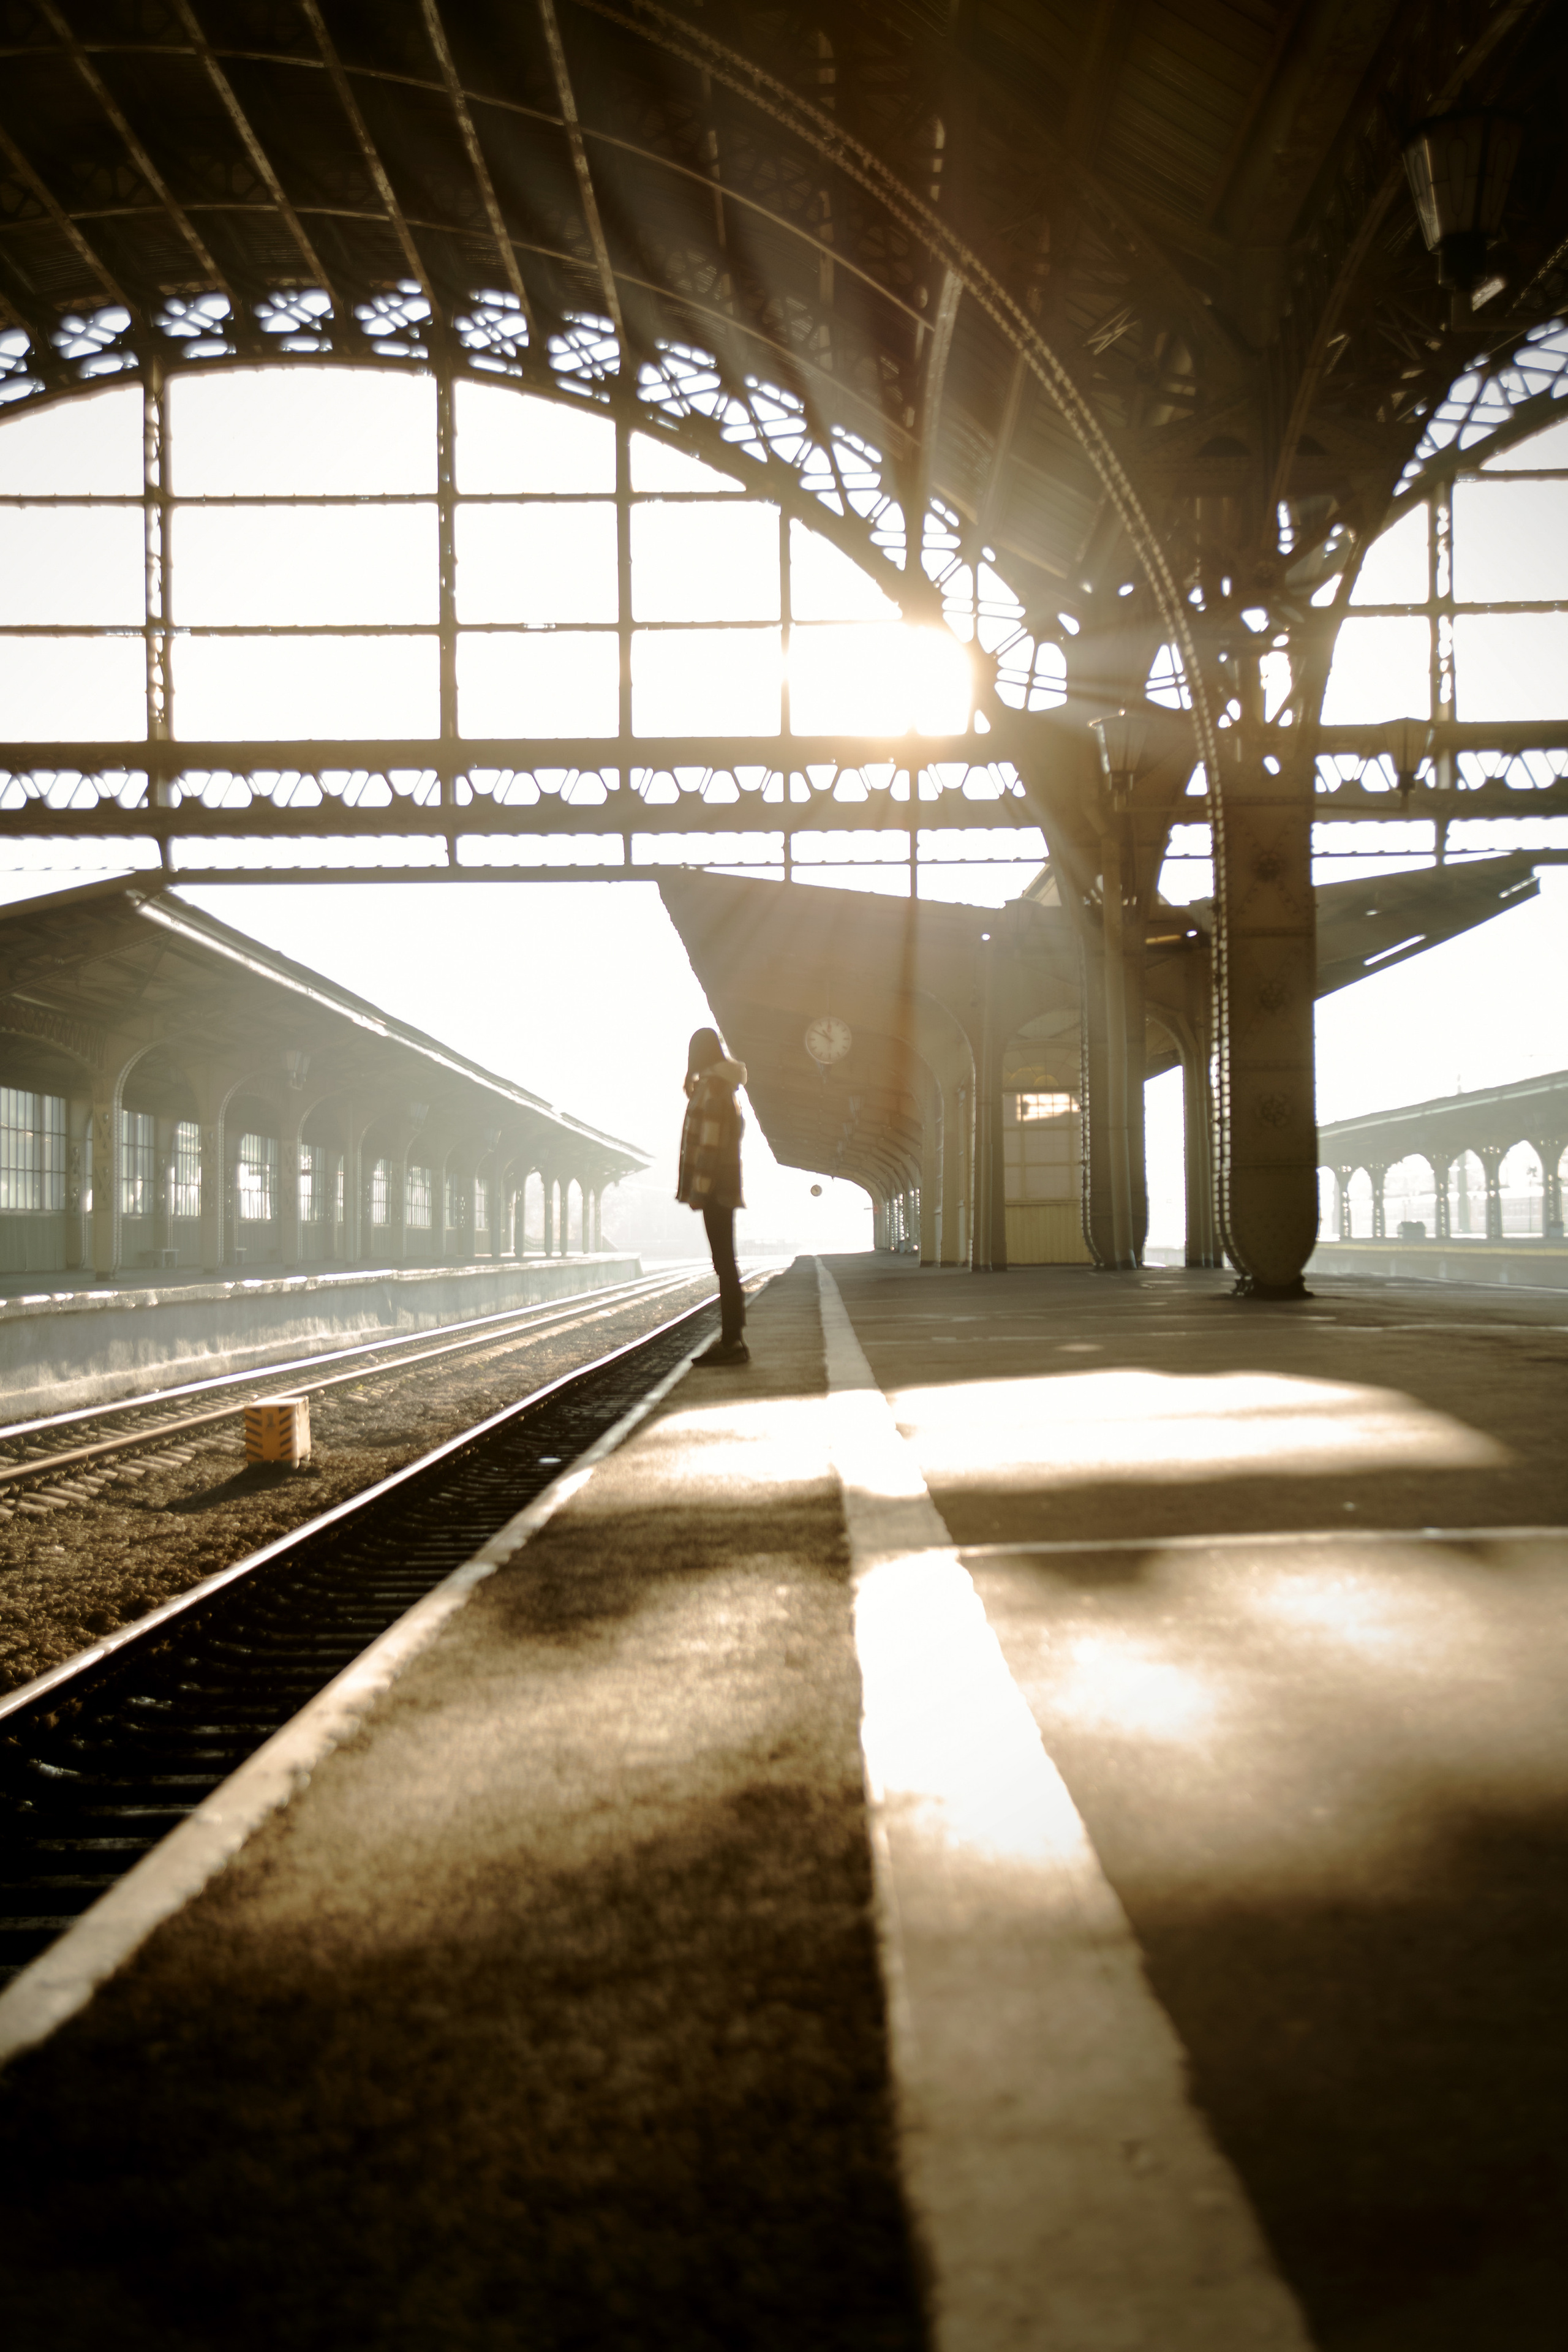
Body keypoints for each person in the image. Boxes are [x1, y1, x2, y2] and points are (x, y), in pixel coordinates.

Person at [677, 1025, 749, 1365]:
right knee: (726, 1264)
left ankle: (733, 1341)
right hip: (725, 1189)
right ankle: (734, 1337)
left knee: (724, 1264)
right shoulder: (724, 1088)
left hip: (716, 1192)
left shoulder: (713, 1089)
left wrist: (699, 1190)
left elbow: (709, 1144)